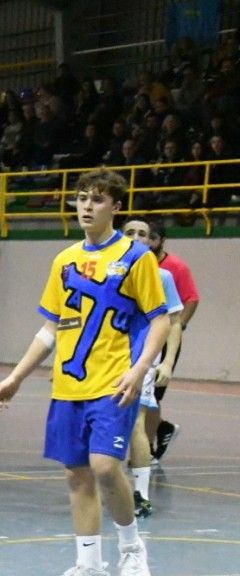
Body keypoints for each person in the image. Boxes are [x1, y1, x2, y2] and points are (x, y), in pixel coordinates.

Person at [0, 168, 170, 576]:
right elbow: (50, 328)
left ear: (116, 207)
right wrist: (15, 377)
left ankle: (131, 549)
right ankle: (91, 570)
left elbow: (160, 319)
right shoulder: (64, 261)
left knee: (106, 466)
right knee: (77, 474)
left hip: (113, 381)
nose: (87, 206)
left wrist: (139, 369)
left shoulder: (135, 257)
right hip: (68, 385)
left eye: (98, 199)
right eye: (82, 198)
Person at [120, 218, 183, 518]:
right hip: (104, 355)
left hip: (142, 356)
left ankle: (141, 494)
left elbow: (173, 324)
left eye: (143, 234)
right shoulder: (109, 271)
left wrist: (168, 362)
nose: (136, 237)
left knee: (136, 421)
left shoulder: (163, 277)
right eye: (129, 232)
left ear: (152, 242)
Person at [142, 217, 200, 461]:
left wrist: (178, 327)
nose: (146, 242)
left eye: (152, 238)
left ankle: (147, 447)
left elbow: (191, 298)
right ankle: (161, 428)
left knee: (151, 395)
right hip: (137, 336)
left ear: (161, 241)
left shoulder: (174, 268)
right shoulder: (132, 262)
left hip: (162, 337)